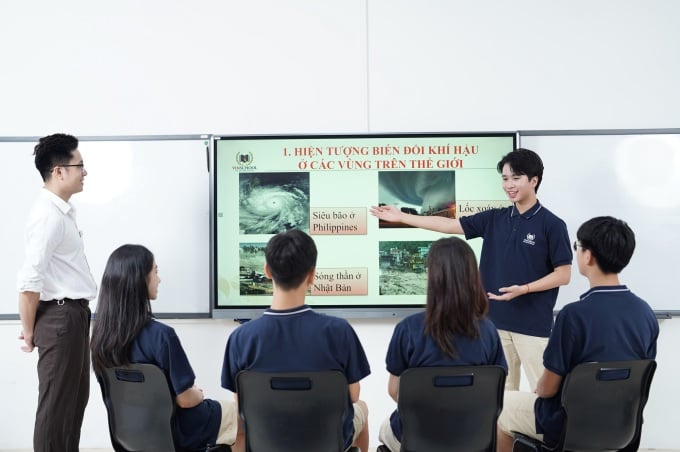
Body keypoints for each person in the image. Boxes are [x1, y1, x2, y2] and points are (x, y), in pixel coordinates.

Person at [370, 148, 572, 390]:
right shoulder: (495, 218)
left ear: (534, 180)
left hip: (532, 327)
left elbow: (564, 274)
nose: (509, 185)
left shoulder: (552, 225)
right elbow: (448, 225)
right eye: (505, 178)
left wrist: (525, 289)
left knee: (545, 395)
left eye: (516, 178)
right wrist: (403, 217)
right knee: (499, 400)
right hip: (494, 325)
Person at [496, 216, 659, 451]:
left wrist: (541, 388)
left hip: (566, 424)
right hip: (622, 425)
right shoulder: (645, 313)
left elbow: (548, 389)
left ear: (588, 255)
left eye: (577, 246)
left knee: (501, 406)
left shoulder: (573, 315)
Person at [221, 229, 371, 452]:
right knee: (363, 408)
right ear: (312, 275)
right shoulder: (339, 331)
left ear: (267, 271)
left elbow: (242, 403)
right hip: (326, 442)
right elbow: (352, 396)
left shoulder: (241, 338)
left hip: (267, 442)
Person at [90, 244, 239, 450]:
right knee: (240, 418)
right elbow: (186, 400)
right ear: (140, 279)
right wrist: (199, 394)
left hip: (131, 432)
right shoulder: (161, 335)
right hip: (179, 431)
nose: (159, 279)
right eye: (155, 271)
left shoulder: (100, 339)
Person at [377, 236, 507, 452]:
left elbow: (395, 392)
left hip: (417, 437)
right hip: (473, 437)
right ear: (472, 277)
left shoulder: (408, 329)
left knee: (384, 428)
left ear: (431, 276)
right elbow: (494, 392)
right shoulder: (489, 332)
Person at [17, 133, 98, 452]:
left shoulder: (63, 212)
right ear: (59, 171)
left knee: (73, 405)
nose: (85, 172)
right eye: (80, 165)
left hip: (73, 315)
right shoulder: (47, 216)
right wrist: (28, 331)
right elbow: (28, 282)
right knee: (55, 411)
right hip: (60, 318)